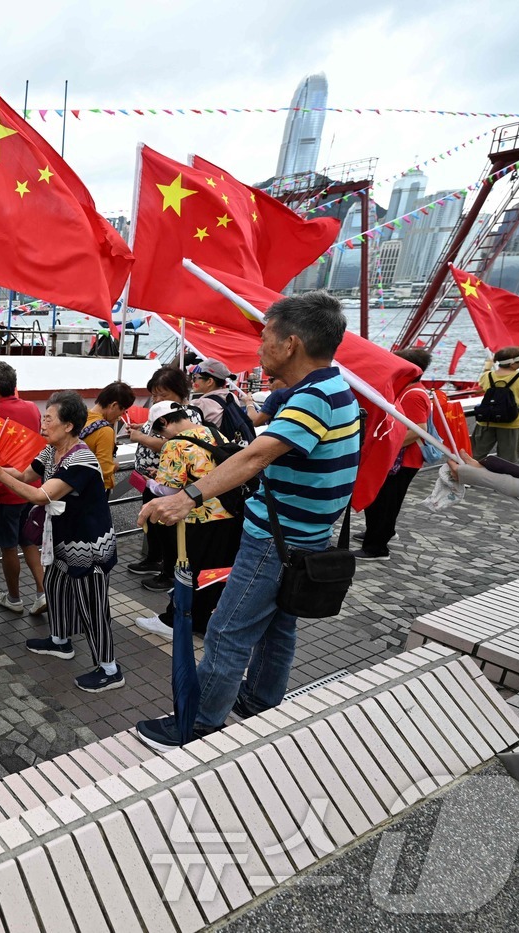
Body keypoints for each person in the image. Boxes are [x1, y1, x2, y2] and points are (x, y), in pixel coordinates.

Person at [135, 291, 360, 748]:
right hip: (305, 538)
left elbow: (257, 454)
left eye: (265, 339)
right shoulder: (333, 389)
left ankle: (197, 724)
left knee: (227, 631)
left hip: (275, 542)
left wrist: (187, 497)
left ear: (290, 344)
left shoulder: (314, 398)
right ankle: (258, 700)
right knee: (278, 626)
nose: (259, 349)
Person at [0, 391, 123, 692]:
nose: (43, 424)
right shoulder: (51, 451)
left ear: (69, 426)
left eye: (48, 419)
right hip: (61, 537)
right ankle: (60, 641)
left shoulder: (82, 460)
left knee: (92, 606)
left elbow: (39, 494)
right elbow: (23, 475)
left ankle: (110, 668)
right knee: (55, 587)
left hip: (88, 545)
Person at [133, 402, 243, 638]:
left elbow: (170, 493)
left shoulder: (175, 445)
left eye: (159, 431)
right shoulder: (212, 431)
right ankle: (204, 619)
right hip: (229, 513)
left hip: (198, 518)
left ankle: (174, 622)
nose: (161, 437)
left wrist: (150, 482)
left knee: (189, 570)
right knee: (214, 571)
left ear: (163, 422)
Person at [355, 349, 434, 561]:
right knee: (382, 500)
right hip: (402, 458)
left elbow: (418, 428)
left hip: (404, 460)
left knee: (386, 501)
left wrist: (388, 446)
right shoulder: (412, 390)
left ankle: (376, 547)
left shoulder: (413, 394)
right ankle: (378, 533)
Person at [0, 361, 47, 615]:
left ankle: (14, 598)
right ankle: (42, 593)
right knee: (28, 541)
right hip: (31, 484)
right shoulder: (32, 408)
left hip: (6, 489)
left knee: (9, 546)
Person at [127, 367, 196, 584]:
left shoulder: (186, 414)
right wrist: (143, 427)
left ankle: (169, 573)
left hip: (169, 483)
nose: (157, 399)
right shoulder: (164, 410)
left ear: (179, 392)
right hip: (153, 480)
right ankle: (155, 559)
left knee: (168, 529)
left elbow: (170, 444)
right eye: (154, 394)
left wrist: (141, 437)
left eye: (163, 395)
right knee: (154, 524)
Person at [472, 346, 519, 461]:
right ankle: (502, 478)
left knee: (475, 455)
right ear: (513, 364)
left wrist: (487, 368)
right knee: (508, 460)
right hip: (513, 423)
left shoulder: (487, 376)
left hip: (487, 421)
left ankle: (470, 476)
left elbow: (484, 387)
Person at [82, 382, 135, 490]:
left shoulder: (81, 417)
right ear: (114, 405)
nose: (120, 417)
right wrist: (115, 466)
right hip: (95, 489)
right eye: (122, 411)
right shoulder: (104, 431)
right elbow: (104, 469)